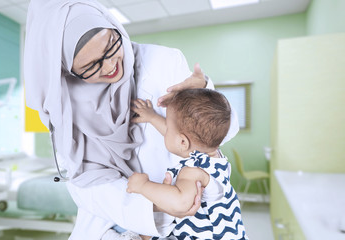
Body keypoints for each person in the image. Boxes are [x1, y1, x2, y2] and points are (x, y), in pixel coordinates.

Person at [24, 0, 240, 239]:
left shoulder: (162, 62)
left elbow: (215, 134)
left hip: (190, 222)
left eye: (110, 45)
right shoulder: (64, 108)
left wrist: (205, 90)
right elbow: (84, 185)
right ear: (68, 71)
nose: (110, 65)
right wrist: (153, 204)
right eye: (91, 66)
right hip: (115, 225)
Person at [127, 89, 248, 240]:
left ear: (183, 142)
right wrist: (152, 117)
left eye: (169, 127)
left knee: (147, 233)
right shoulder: (216, 158)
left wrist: (142, 185)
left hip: (204, 236)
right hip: (227, 231)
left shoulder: (192, 172)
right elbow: (179, 136)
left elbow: (181, 203)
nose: (167, 129)